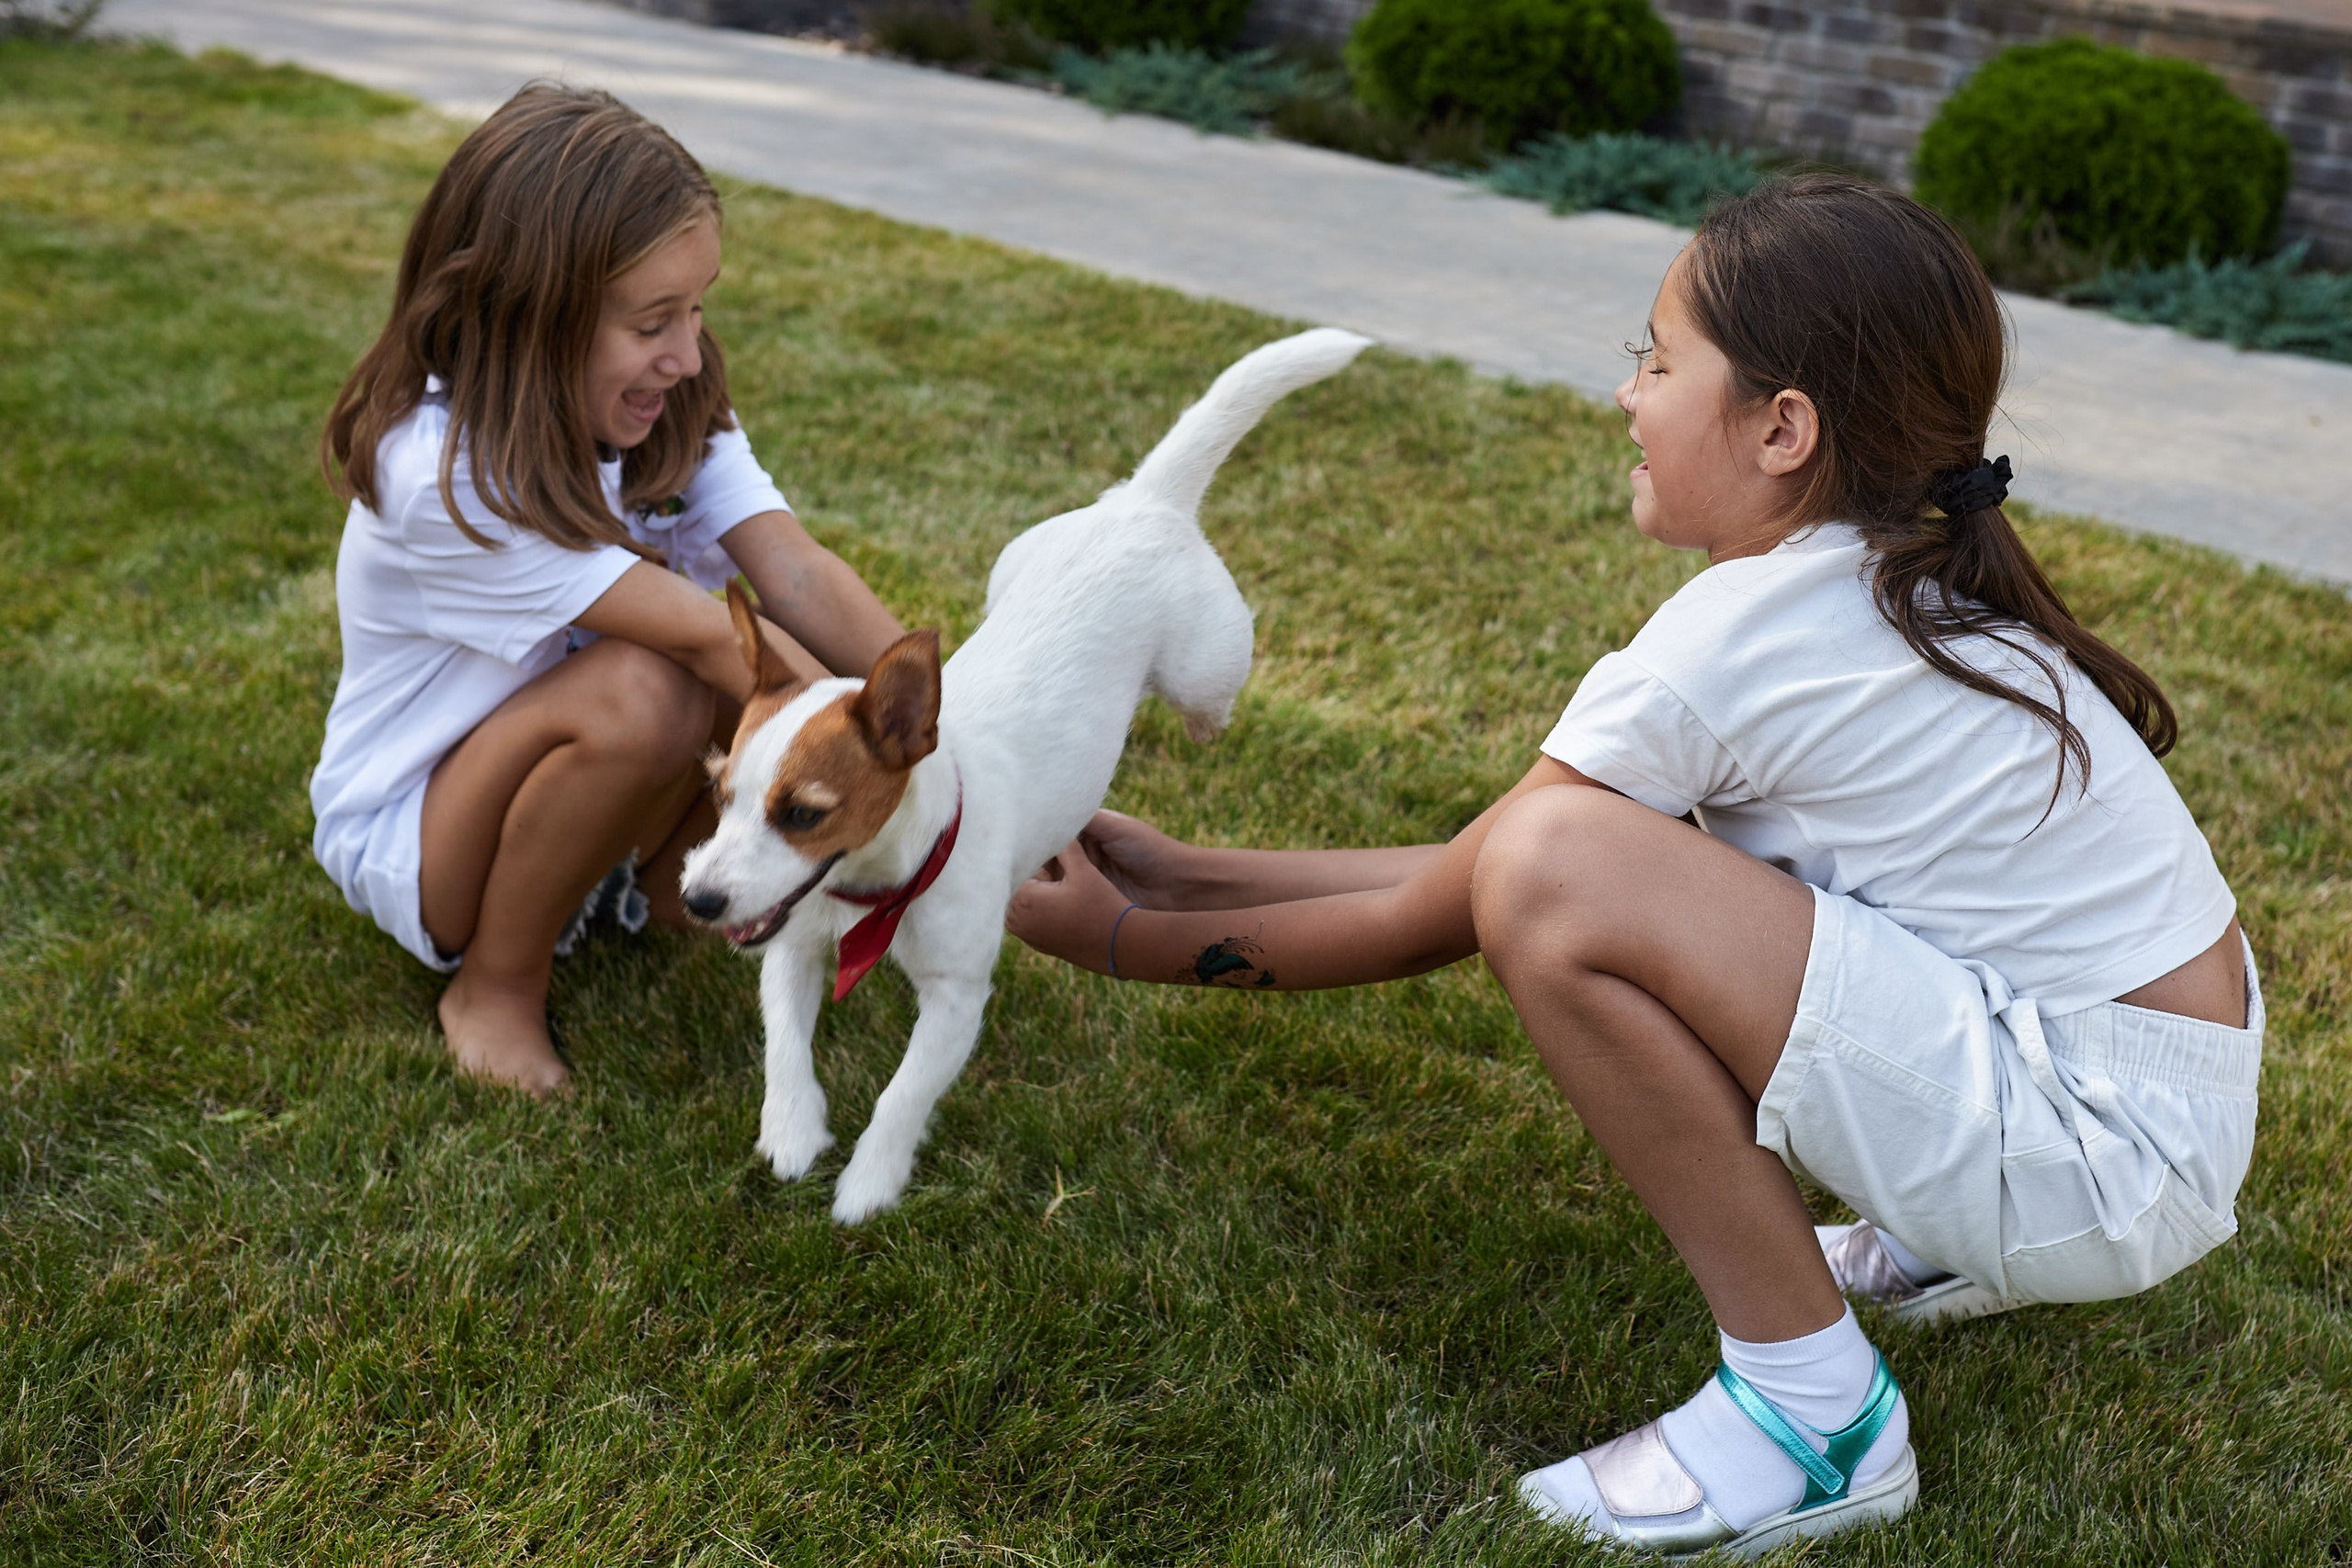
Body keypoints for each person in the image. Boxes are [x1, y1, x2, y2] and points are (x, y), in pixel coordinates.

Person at [1007, 175, 2258, 1554]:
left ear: (1785, 429)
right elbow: (1505, 862)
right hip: (2155, 1113)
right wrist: (1194, 871)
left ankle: (1812, 1416)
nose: (1628, 395)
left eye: (1658, 361)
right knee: (1567, 857)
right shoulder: (1902, 564)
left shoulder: (1739, 635)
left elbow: (1492, 897)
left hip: (2096, 1150)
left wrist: (1126, 937)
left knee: (1564, 865)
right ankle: (1936, 1222)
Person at [311, 85, 904, 1096]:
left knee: (732, 654)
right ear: (525, 320)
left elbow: (796, 569)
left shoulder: (664, 393)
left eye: (697, 307)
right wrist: (916, 785)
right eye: (650, 322)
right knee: (663, 678)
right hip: (425, 834)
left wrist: (973, 746)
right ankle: (495, 983)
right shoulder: (443, 478)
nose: (686, 352)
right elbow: (709, 645)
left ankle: (650, 884)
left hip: (602, 787)